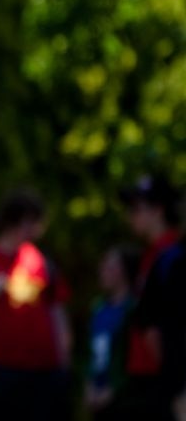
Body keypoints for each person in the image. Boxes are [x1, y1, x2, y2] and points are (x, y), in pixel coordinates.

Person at [0, 189, 72, 421]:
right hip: (1, 374)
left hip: (45, 373)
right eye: (34, 222)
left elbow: (57, 311)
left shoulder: (41, 261)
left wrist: (64, 361)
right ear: (20, 221)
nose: (38, 230)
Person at [118, 175, 186, 420]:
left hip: (165, 385)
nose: (131, 216)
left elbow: (165, 327)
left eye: (137, 209)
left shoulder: (175, 258)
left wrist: (177, 386)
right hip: (145, 382)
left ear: (158, 210)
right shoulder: (151, 256)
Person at [85, 244, 140, 420]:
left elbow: (134, 357)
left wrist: (114, 390)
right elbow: (92, 352)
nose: (103, 271)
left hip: (127, 401)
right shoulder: (99, 307)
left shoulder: (134, 309)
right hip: (97, 397)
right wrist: (89, 386)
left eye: (110, 266)